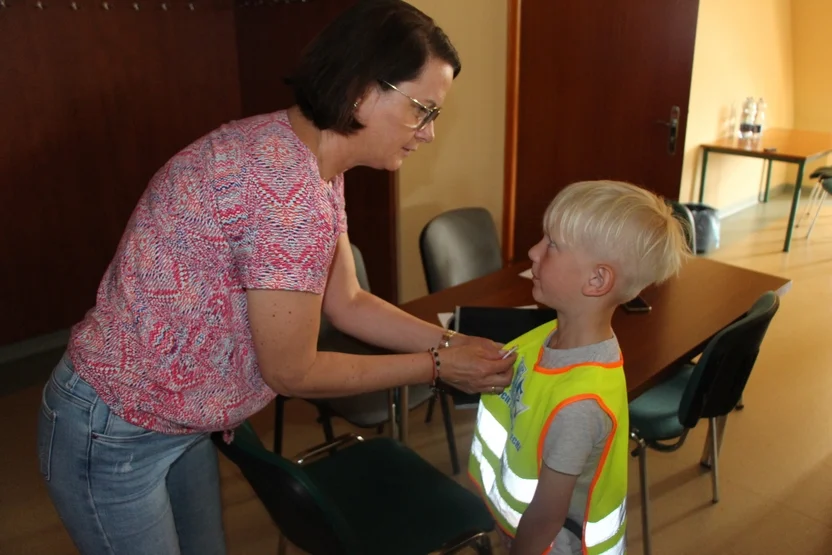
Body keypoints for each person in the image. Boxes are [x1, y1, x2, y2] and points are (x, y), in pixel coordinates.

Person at [36, 2, 515, 553]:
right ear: (362, 90)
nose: (429, 133)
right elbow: (292, 371)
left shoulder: (302, 154)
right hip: (114, 425)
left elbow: (349, 302)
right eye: (422, 110)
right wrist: (438, 366)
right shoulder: (287, 199)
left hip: (180, 419)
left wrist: (452, 342)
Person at [468, 180, 690, 555]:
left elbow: (545, 519)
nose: (534, 251)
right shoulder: (551, 333)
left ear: (597, 279)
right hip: (515, 523)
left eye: (552, 244)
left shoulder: (580, 406)